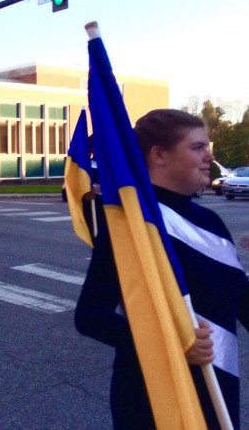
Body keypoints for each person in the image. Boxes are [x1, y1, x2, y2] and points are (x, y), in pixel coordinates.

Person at [75, 109, 249, 429]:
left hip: (219, 388)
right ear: (159, 155)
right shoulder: (132, 224)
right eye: (197, 147)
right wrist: (172, 340)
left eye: (207, 146)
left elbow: (241, 304)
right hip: (153, 397)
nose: (209, 157)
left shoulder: (211, 222)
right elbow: (89, 315)